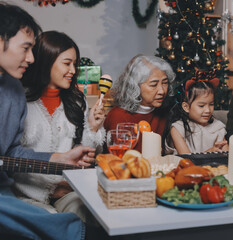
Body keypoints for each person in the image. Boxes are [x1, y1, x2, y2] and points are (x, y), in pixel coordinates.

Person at [0, 2, 93, 239]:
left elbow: (11, 153)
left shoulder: (13, 90)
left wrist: (59, 158)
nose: (31, 58)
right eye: (25, 48)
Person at [11, 31, 106, 221]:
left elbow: (83, 156)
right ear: (46, 62)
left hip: (69, 191)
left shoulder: (77, 102)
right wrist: (50, 188)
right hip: (27, 196)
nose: (73, 70)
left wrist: (92, 128)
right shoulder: (18, 101)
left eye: (74, 64)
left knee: (91, 213)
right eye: (67, 63)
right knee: (50, 221)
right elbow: (10, 156)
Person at [104, 54, 175, 152]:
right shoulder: (118, 115)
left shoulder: (166, 113)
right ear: (135, 86)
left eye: (165, 83)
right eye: (153, 85)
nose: (162, 91)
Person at [164, 71, 228, 154]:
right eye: (201, 106)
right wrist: (209, 152)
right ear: (186, 107)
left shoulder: (218, 127)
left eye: (211, 104)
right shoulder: (178, 129)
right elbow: (186, 159)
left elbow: (227, 155)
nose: (208, 110)